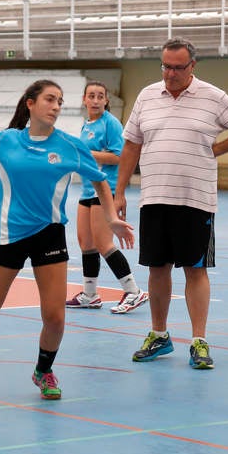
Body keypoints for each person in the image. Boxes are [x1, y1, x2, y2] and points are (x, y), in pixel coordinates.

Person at [0, 78, 134, 400]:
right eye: (50, 99)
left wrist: (110, 218)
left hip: (49, 234)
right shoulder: (6, 141)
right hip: (9, 236)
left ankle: (44, 370)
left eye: (60, 102)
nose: (55, 107)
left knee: (54, 316)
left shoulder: (69, 145)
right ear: (30, 103)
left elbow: (99, 181)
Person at [114, 37, 228, 370]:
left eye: (178, 68)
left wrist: (218, 149)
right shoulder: (147, 96)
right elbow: (131, 145)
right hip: (154, 196)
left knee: (196, 269)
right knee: (157, 268)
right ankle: (159, 335)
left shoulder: (213, 96)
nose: (170, 74)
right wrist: (120, 191)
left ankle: (198, 341)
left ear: (192, 66)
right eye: (166, 66)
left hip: (196, 199)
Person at [65, 81, 148, 313]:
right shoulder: (86, 125)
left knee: (103, 243)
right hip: (87, 190)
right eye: (91, 96)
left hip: (105, 188)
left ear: (105, 101)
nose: (95, 100)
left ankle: (134, 291)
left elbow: (119, 156)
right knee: (86, 243)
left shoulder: (110, 123)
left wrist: (86, 154)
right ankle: (90, 294)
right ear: (84, 100)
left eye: (100, 96)